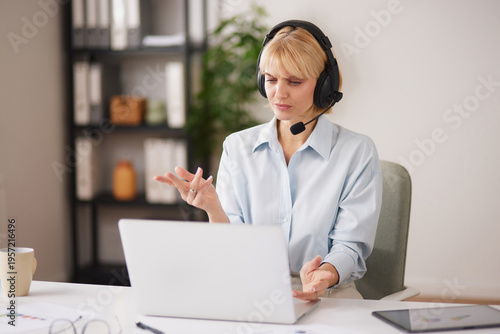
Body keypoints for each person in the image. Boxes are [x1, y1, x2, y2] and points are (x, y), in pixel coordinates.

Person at [154, 20, 382, 301]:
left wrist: (325, 275)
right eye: (271, 79)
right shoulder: (238, 147)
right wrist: (214, 209)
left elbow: (350, 245)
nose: (279, 93)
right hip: (252, 290)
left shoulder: (356, 152)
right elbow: (232, 246)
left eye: (294, 82)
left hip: (329, 297)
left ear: (325, 85)